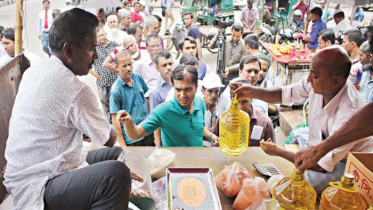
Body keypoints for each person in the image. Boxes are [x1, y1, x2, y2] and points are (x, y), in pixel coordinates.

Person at [3, 8, 131, 210]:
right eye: (92, 48)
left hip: (38, 168)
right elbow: (109, 137)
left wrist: (84, 129)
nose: (96, 56)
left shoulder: (35, 71)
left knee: (113, 154)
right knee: (115, 175)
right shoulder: (76, 89)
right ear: (68, 50)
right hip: (38, 184)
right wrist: (100, 127)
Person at [231, 46, 373, 194]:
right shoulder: (317, 81)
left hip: (345, 162)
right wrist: (251, 91)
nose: (309, 79)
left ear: (336, 81)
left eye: (315, 75)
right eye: (310, 72)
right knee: (295, 139)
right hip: (320, 145)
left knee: (298, 187)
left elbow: (320, 165)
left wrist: (277, 152)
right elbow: (284, 94)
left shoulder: (349, 111)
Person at [116, 65, 219, 147]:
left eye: (187, 89)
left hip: (197, 165)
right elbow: (136, 134)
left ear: (196, 87)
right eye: (178, 90)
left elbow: (199, 128)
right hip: (175, 169)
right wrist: (129, 122)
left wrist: (211, 137)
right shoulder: (163, 111)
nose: (182, 95)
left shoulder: (199, 102)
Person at [295, 103, 373, 172]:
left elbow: (322, 166)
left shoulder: (350, 109)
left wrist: (318, 151)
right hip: (334, 152)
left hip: (348, 160)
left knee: (305, 180)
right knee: (297, 133)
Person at [110, 50, 155, 147]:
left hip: (146, 131)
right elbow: (115, 120)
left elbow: (146, 99)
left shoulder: (138, 77)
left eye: (130, 64)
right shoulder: (116, 90)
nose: (128, 68)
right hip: (132, 139)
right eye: (124, 66)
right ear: (117, 67)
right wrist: (123, 145)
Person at [215, 80, 275, 146]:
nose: (240, 107)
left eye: (244, 102)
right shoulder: (223, 119)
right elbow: (215, 140)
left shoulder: (264, 122)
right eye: (236, 102)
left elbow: (272, 149)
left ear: (252, 99)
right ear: (231, 99)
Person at [89, 27, 118, 122]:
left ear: (106, 34)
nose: (101, 37)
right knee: (105, 102)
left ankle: (118, 121)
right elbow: (87, 63)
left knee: (116, 101)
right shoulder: (93, 48)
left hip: (115, 79)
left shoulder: (114, 45)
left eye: (102, 34)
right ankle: (109, 123)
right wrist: (94, 73)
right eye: (98, 36)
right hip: (102, 81)